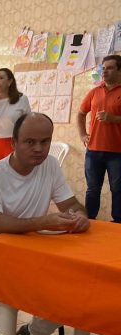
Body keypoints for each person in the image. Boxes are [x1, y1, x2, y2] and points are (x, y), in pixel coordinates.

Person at [0, 113, 90, 335]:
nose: (38, 148)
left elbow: (71, 204)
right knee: (15, 285)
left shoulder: (50, 165)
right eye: (30, 142)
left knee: (73, 289)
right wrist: (45, 222)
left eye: (45, 142)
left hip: (29, 251)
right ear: (13, 143)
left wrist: (79, 215)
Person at [76, 54, 121, 223]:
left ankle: (118, 225)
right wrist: (82, 134)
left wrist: (114, 118)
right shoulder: (95, 91)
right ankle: (89, 222)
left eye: (110, 68)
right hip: (93, 151)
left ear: (119, 70)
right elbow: (80, 114)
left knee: (118, 190)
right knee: (92, 190)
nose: (105, 71)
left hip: (118, 152)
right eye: (103, 68)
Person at [0, 68, 31, 165]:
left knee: (13, 176)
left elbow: (29, 124)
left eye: (1, 78)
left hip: (13, 142)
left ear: (10, 82)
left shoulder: (22, 100)